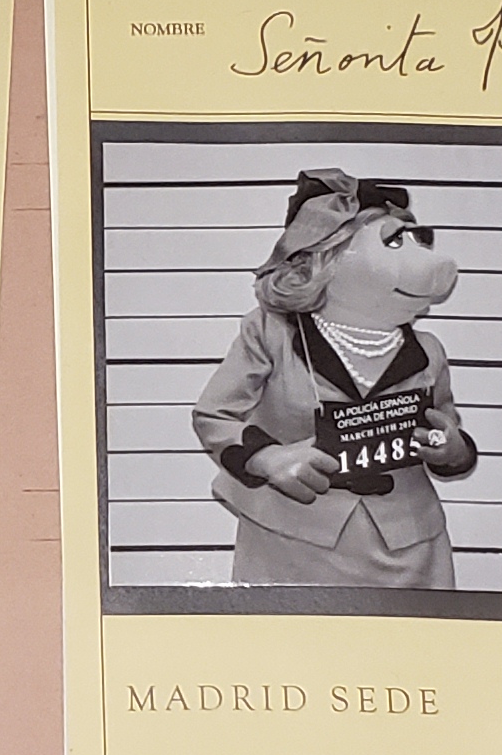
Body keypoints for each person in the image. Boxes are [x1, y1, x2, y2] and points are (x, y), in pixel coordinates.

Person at [192, 167, 480, 590]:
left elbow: (445, 426)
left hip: (409, 547)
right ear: (327, 259)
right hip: (291, 541)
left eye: (418, 239)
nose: (424, 256)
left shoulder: (428, 351)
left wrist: (452, 449)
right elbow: (214, 415)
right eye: (393, 241)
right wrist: (266, 457)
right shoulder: (270, 332)